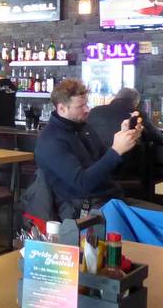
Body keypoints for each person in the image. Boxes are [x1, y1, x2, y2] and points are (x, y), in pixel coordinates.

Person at [33, 78, 142, 217]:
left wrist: (126, 142)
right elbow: (82, 183)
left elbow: (111, 168)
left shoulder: (84, 128)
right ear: (62, 108)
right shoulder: (51, 140)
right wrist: (115, 151)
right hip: (84, 211)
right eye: (80, 106)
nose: (87, 109)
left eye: (86, 104)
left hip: (110, 200)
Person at [88, 87, 163, 147]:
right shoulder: (138, 115)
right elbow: (158, 137)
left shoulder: (94, 111)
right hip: (127, 159)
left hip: (97, 158)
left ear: (116, 97)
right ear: (135, 103)